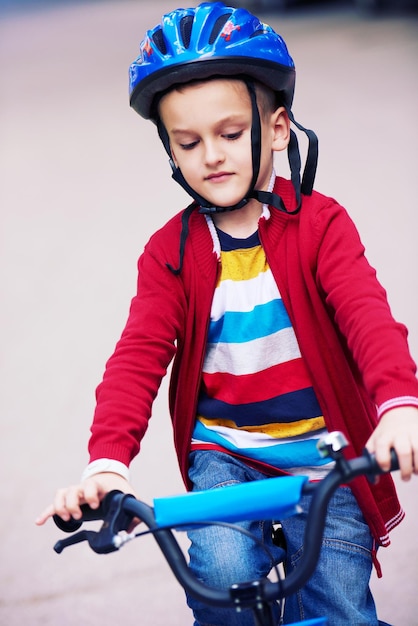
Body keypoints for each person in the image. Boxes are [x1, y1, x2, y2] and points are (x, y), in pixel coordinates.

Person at [36, 3, 418, 624]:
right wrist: (107, 461)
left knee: (341, 609)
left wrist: (400, 406)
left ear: (277, 128)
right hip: (226, 456)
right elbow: (136, 358)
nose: (211, 155)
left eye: (231, 133)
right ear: (171, 151)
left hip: (325, 454)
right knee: (219, 575)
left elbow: (367, 316)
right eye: (188, 142)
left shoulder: (320, 227)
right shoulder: (171, 253)